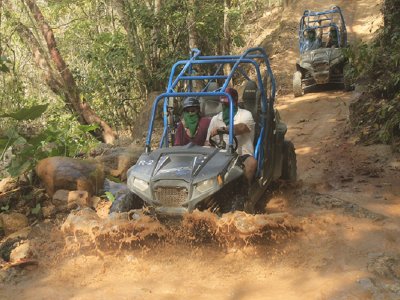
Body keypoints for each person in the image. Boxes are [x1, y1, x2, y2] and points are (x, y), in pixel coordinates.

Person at [205, 87, 257, 185]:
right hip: (220, 157)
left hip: (241, 155)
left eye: (228, 104)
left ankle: (245, 192)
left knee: (251, 163)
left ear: (236, 101)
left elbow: (241, 128)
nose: (225, 106)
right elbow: (207, 142)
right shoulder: (215, 119)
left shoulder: (245, 115)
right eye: (223, 104)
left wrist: (222, 130)